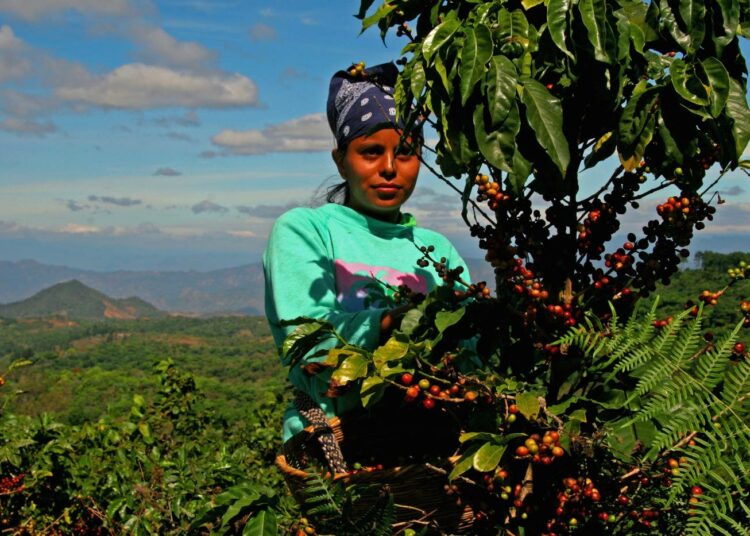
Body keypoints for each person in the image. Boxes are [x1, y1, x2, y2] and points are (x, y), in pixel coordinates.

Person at [263, 62, 470, 445]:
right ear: (341, 161)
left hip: (432, 447)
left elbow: (472, 357)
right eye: (371, 152)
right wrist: (400, 321)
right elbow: (310, 343)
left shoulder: (438, 250)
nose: (389, 168)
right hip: (337, 449)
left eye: (405, 152)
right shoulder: (306, 231)